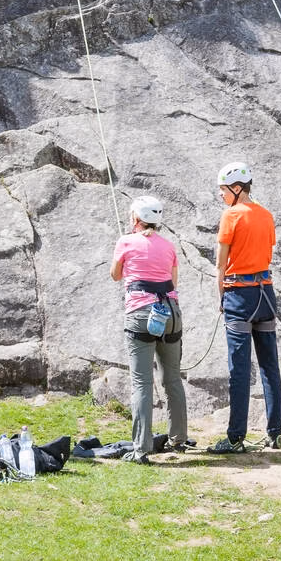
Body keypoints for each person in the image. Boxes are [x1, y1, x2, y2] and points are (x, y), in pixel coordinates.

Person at [208, 161, 281, 454]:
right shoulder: (266, 215)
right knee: (269, 366)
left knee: (239, 369)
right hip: (265, 293)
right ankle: (275, 433)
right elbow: (265, 252)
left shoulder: (231, 215)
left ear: (237, 188)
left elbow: (220, 264)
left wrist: (221, 299)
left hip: (239, 295)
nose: (221, 194)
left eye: (224, 190)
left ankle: (235, 437)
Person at [110, 195, 186, 464]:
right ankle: (179, 439)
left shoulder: (125, 242)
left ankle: (141, 448)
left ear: (136, 218)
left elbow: (115, 274)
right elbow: (173, 282)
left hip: (141, 313)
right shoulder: (169, 246)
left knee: (142, 382)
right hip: (171, 313)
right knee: (172, 379)